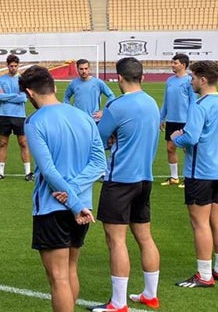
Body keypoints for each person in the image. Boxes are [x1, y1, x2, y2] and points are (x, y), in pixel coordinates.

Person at [22, 65, 107, 312]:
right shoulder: (83, 116)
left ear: (29, 93)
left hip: (54, 206)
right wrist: (76, 194)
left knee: (58, 278)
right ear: (55, 87)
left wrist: (70, 198)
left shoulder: (34, 122)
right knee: (70, 271)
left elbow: (47, 170)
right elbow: (99, 163)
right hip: (82, 206)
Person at [91, 58, 161, 312]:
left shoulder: (117, 105)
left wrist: (110, 136)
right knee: (144, 237)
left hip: (120, 179)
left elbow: (99, 138)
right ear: (141, 77)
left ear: (119, 78)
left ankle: (118, 303)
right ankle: (150, 295)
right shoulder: (152, 103)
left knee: (116, 240)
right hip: (145, 178)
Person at [171, 60, 218, 289]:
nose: (191, 81)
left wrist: (177, 137)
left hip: (201, 171)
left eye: (193, 77)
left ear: (203, 79)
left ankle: (204, 274)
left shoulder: (200, 105)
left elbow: (190, 138)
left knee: (200, 223)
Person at [0, 55, 31, 181]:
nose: (13, 68)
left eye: (15, 66)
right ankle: (0, 171)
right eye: (11, 66)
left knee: (23, 143)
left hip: (19, 115)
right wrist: (16, 96)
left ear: (18, 65)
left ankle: (28, 172)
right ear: (7, 65)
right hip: (4, 115)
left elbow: (24, 98)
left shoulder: (22, 80)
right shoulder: (0, 79)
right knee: (3, 143)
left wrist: (7, 96)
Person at [159, 53, 194, 187]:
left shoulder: (189, 81)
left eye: (175, 63)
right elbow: (166, 101)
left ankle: (189, 177)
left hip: (185, 120)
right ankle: (174, 177)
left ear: (183, 65)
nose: (172, 65)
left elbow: (193, 101)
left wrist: (192, 119)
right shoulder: (170, 80)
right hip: (171, 120)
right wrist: (162, 117)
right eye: (172, 62)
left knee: (187, 149)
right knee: (170, 148)